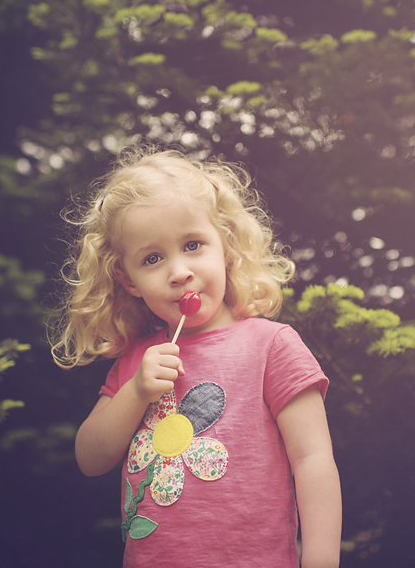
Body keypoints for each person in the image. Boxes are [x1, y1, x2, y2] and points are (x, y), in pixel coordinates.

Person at [53, 147, 342, 567]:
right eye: (152, 259)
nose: (178, 271)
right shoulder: (137, 360)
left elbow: (313, 459)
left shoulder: (271, 345)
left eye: (193, 245)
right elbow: (90, 458)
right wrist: (135, 392)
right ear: (128, 280)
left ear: (224, 246)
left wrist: (320, 560)